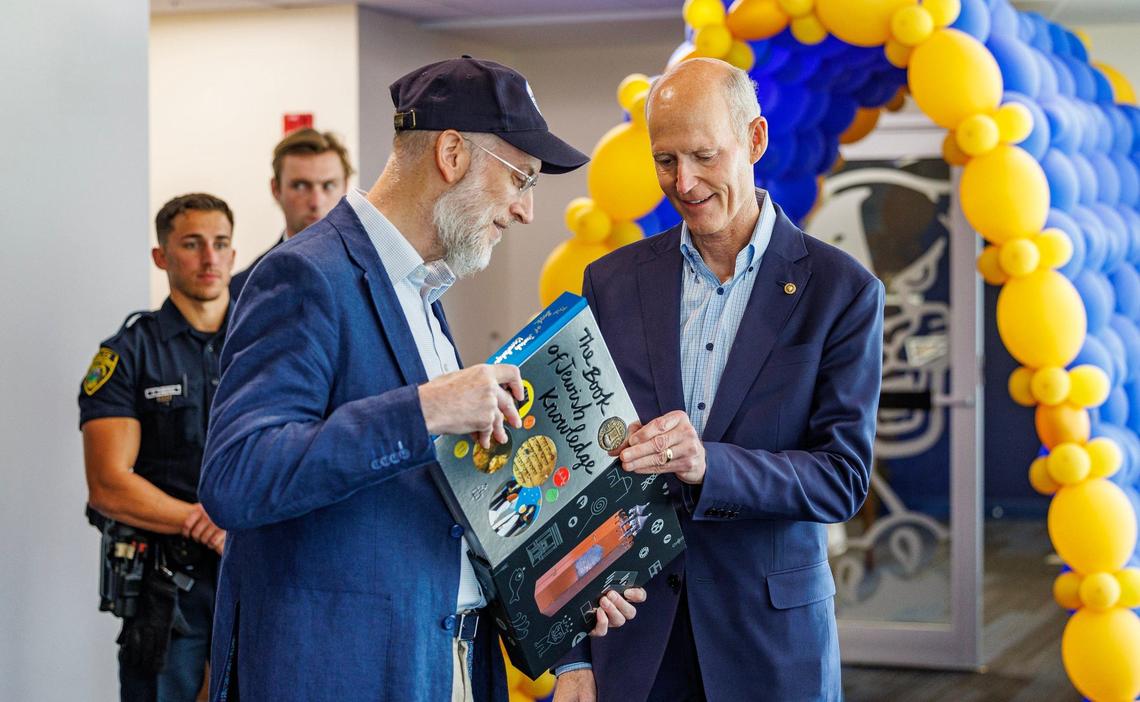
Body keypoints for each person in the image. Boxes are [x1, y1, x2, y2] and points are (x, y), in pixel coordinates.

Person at [198, 57, 645, 702]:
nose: (525, 210)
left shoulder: (421, 291)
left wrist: (571, 603)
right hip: (346, 671)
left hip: (443, 659)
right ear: (453, 154)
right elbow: (237, 476)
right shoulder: (306, 276)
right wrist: (424, 410)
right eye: (521, 178)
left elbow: (439, 515)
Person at [553, 58, 885, 702]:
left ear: (755, 139)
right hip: (632, 643)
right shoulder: (611, 283)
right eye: (665, 161)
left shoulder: (841, 291)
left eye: (704, 156)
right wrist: (572, 656)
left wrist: (710, 465)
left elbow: (842, 478)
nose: (684, 182)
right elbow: (574, 474)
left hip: (771, 649)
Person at [79, 193, 236, 701]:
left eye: (220, 244)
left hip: (257, 575)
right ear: (161, 256)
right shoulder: (129, 353)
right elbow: (108, 484)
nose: (209, 258)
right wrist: (202, 522)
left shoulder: (264, 345)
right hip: (169, 589)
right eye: (191, 244)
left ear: (234, 254)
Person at [229, 127, 353, 298]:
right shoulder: (243, 290)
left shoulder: (378, 274)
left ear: (345, 186)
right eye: (300, 186)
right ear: (276, 189)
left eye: (329, 185)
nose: (316, 202)